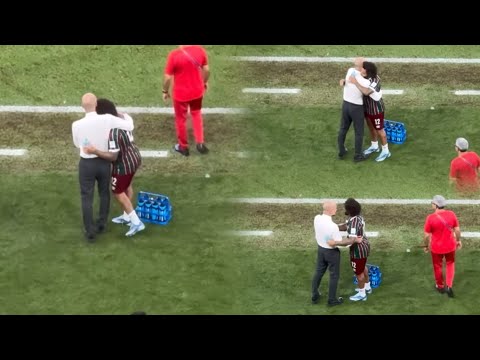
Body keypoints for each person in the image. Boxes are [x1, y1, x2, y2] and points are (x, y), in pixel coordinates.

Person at [72, 93, 134, 242]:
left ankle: (89, 230)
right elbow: (130, 125)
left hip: (86, 164)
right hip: (104, 162)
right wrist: (121, 114)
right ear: (96, 105)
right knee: (104, 193)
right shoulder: (107, 119)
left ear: (82, 106)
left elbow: (77, 143)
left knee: (86, 196)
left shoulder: (76, 124)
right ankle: (102, 224)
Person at [83, 98, 145, 237]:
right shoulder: (124, 117)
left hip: (123, 164)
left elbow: (113, 157)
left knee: (117, 192)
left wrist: (94, 151)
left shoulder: (112, 132)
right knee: (127, 186)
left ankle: (136, 222)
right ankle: (127, 216)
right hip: (135, 156)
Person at [311, 201, 361, 306]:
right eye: (335, 208)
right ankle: (332, 300)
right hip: (331, 253)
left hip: (321, 249)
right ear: (331, 210)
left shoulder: (317, 218)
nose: (337, 210)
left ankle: (314, 294)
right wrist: (352, 240)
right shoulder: (332, 226)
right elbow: (339, 243)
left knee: (318, 272)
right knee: (334, 276)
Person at [163, 45, 210, 157]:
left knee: (181, 119)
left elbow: (168, 78)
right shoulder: (200, 50)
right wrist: (204, 82)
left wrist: (164, 91)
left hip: (181, 95)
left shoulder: (174, 55)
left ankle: (183, 147)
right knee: (196, 114)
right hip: (197, 92)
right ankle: (200, 143)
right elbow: (207, 70)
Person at [329, 198, 371, 301]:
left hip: (358, 251)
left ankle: (362, 294)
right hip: (365, 247)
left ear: (349, 210)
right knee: (363, 267)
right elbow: (346, 226)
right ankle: (367, 287)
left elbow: (351, 240)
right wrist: (334, 227)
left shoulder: (353, 223)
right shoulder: (357, 217)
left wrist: (335, 242)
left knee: (358, 273)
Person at [338, 57, 378, 162]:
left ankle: (341, 150)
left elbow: (344, 82)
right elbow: (366, 91)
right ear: (362, 68)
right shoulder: (365, 81)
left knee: (343, 129)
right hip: (356, 108)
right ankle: (358, 155)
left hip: (345, 104)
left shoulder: (350, 71)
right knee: (359, 132)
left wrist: (343, 81)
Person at [349, 61, 391, 162]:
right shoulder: (362, 75)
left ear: (366, 70)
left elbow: (366, 92)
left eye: (362, 67)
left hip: (376, 109)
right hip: (367, 107)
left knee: (379, 129)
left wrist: (355, 82)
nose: (360, 68)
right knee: (371, 128)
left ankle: (386, 151)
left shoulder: (375, 79)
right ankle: (374, 146)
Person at [423, 195, 462, 298]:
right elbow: (457, 230)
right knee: (450, 264)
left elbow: (426, 235)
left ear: (436, 205)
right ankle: (449, 286)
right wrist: (458, 240)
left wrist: (426, 246)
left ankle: (440, 287)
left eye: (432, 203)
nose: (431, 204)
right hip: (450, 246)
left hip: (437, 248)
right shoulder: (451, 214)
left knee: (438, 266)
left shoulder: (430, 218)